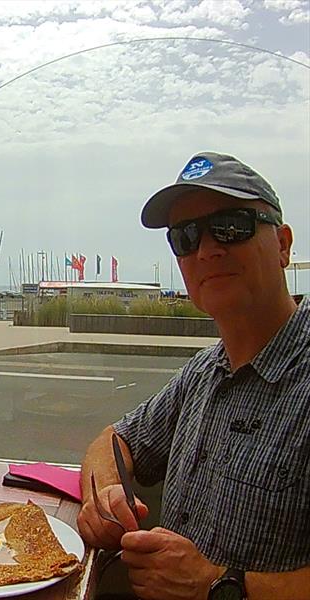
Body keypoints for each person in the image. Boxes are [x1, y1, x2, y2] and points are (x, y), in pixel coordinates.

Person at [78, 152, 309, 600]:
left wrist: (218, 585)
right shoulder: (205, 372)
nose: (206, 250)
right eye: (185, 237)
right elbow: (114, 438)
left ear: (282, 244)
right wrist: (105, 495)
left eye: (231, 226)